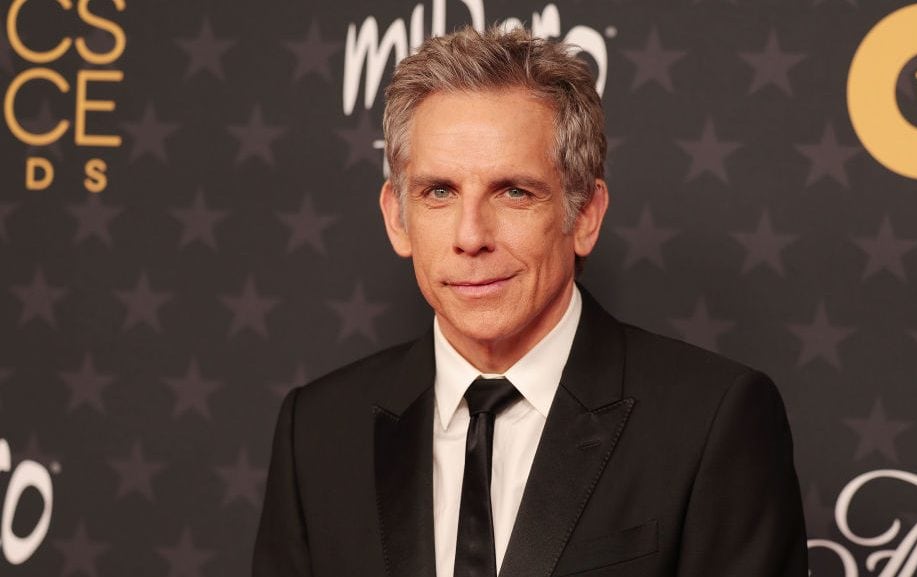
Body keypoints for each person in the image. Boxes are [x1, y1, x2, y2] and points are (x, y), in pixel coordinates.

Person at [253, 26, 807, 577]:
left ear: (584, 215)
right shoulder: (319, 430)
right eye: (438, 192)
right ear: (398, 217)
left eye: (514, 192)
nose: (471, 236)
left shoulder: (711, 421)